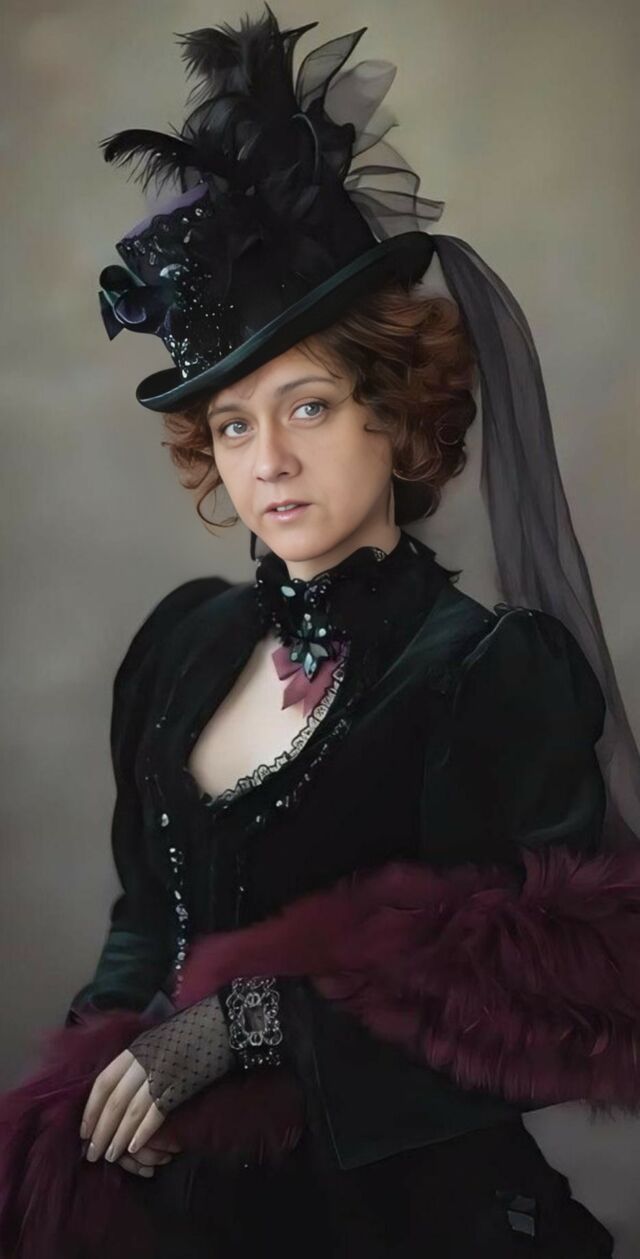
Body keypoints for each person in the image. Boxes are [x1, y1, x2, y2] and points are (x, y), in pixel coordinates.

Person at [1, 8, 639, 1257]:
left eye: (307, 407)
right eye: (234, 425)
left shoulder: (486, 671)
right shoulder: (183, 645)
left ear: (395, 415)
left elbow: (565, 1002)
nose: (269, 461)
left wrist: (247, 1028)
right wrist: (109, 1077)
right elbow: (144, 919)